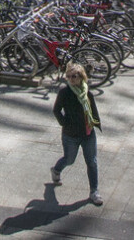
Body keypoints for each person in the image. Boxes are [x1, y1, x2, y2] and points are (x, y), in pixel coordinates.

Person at [48, 61, 102, 206]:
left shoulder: (86, 93)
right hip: (71, 135)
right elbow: (56, 110)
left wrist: (95, 123)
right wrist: (65, 123)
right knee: (69, 159)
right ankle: (56, 170)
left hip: (87, 134)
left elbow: (93, 110)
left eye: (75, 76)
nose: (72, 79)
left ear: (82, 77)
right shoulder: (65, 93)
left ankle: (94, 192)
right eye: (69, 76)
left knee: (92, 162)